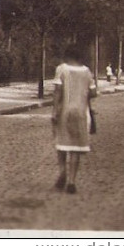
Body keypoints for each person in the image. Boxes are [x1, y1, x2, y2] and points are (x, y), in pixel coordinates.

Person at [51, 44, 97, 194]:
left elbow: (58, 92)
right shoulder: (87, 71)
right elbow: (93, 92)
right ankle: (71, 181)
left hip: (65, 111)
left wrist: (54, 112)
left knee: (62, 144)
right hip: (82, 113)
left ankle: (62, 171)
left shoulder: (61, 69)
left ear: (67, 55)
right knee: (76, 147)